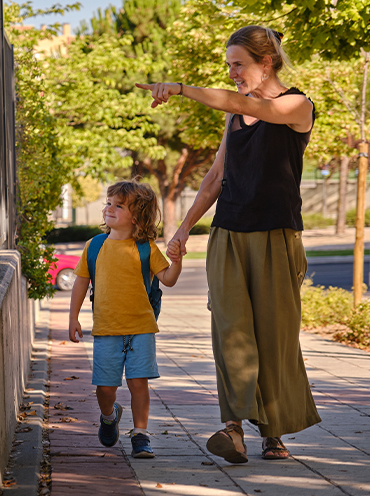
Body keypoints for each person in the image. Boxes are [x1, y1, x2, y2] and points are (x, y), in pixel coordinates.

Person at [136, 25, 321, 463]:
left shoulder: (297, 105)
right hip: (229, 234)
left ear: (267, 62)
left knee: (274, 337)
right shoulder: (234, 117)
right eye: (229, 66)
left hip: (277, 236)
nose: (234, 73)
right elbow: (217, 176)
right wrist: (183, 230)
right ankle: (233, 429)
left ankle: (274, 432)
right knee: (230, 333)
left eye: (239, 64)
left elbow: (244, 101)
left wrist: (180, 88)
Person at [68, 180, 182, 458]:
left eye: (118, 205)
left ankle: (141, 435)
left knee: (138, 383)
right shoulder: (94, 246)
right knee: (105, 389)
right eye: (109, 203)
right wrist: (73, 318)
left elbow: (167, 279)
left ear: (136, 217)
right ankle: (109, 416)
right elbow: (81, 283)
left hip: (141, 329)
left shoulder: (146, 248)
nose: (109, 208)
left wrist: (176, 261)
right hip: (106, 330)